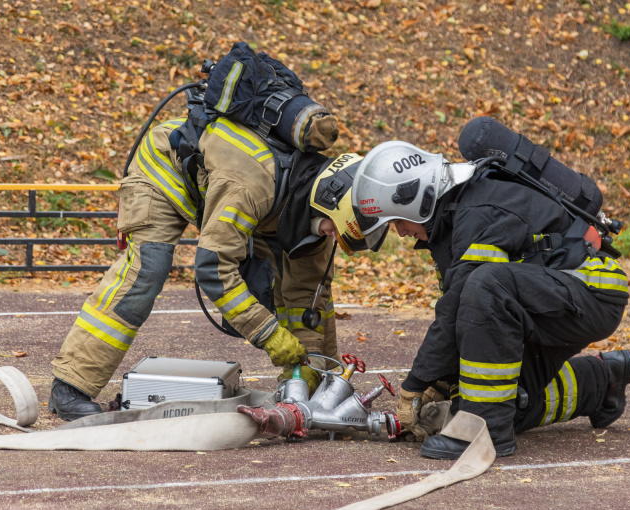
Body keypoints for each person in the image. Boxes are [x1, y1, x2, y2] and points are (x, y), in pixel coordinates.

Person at [48, 107, 388, 421]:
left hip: (223, 188)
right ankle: (71, 386)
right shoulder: (251, 185)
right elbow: (213, 267)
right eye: (335, 230)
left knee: (301, 281)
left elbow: (307, 295)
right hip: (164, 170)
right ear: (329, 205)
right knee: (148, 269)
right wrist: (268, 333)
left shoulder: (314, 217)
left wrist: (310, 369)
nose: (331, 238)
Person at [350, 137, 630, 458]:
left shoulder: (477, 212)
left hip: (592, 290)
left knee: (485, 283)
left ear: (415, 201)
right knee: (511, 403)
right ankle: (603, 382)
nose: (400, 232)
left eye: (397, 221)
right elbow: (466, 323)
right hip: (554, 296)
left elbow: (465, 300)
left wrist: (417, 382)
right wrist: (441, 384)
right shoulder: (455, 219)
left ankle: (484, 430)